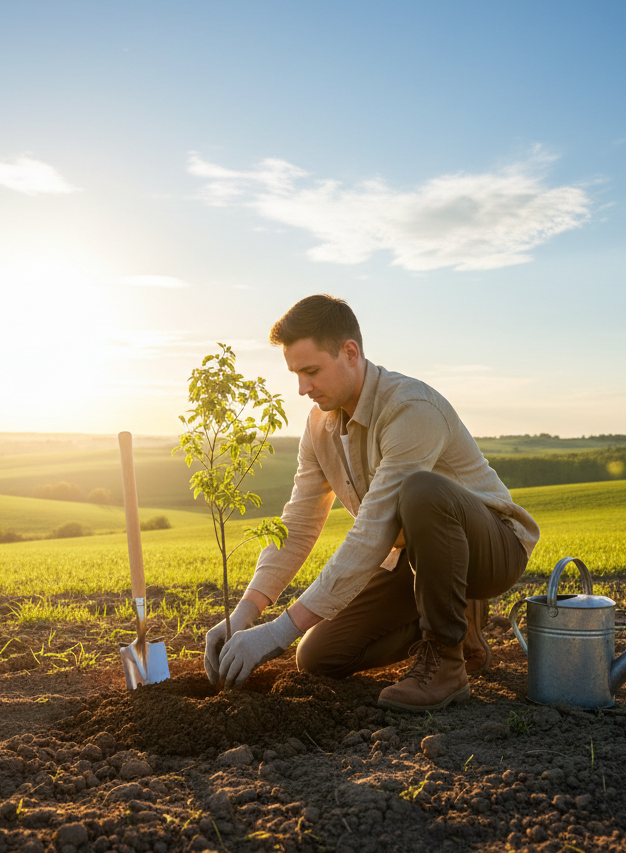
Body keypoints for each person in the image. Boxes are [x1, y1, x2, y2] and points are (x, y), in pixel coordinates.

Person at [204, 294, 540, 712]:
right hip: (411, 561)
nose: (302, 388)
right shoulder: (319, 425)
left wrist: (276, 631)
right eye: (295, 374)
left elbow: (373, 528)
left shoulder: (410, 408)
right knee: (316, 657)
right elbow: (300, 522)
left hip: (488, 551)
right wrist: (243, 615)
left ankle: (447, 664)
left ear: (350, 353)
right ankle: (458, 622)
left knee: (421, 490)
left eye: (311, 371)